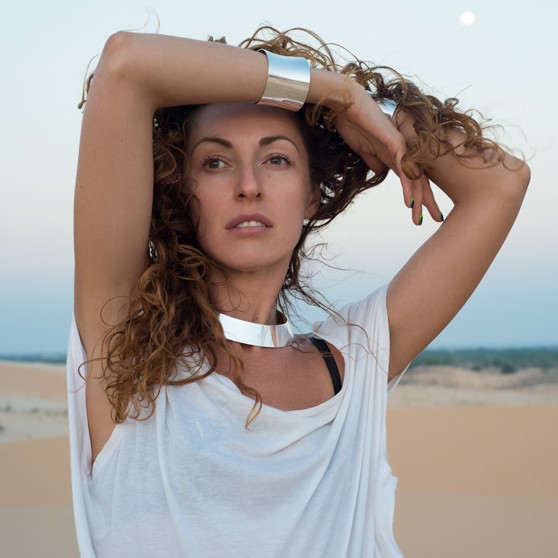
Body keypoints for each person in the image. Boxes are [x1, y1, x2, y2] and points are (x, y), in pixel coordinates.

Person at [66, 26, 529, 557]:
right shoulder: (127, 353)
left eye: (277, 159)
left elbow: (500, 185)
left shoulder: (354, 365)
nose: (248, 185)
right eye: (215, 162)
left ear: (311, 196)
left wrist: (365, 107)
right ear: (180, 192)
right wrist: (335, 93)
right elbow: (127, 64)